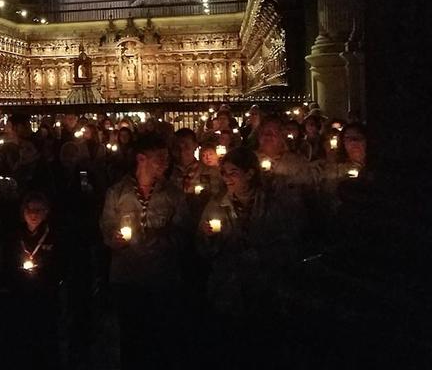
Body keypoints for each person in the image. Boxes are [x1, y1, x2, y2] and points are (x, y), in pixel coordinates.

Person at [197, 147, 302, 361]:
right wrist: (209, 237)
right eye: (224, 172)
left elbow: (288, 243)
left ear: (250, 173)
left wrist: (261, 255)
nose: (227, 178)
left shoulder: (273, 204)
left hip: (264, 290)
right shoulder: (217, 205)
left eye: (233, 172)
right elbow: (201, 248)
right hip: (228, 291)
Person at [100, 133, 190, 370]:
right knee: (131, 339)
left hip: (162, 278)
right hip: (128, 278)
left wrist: (163, 240)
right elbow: (106, 227)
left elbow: (184, 232)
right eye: (159, 158)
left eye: (167, 158)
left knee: (161, 339)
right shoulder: (117, 192)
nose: (166, 162)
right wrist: (114, 239)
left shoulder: (173, 194)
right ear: (141, 159)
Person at [6, 192, 62, 369]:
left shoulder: (53, 236)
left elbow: (60, 265)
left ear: (46, 212)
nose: (33, 214)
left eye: (38, 210)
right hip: (21, 293)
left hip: (45, 294)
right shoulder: (15, 235)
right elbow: (8, 262)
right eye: (29, 209)